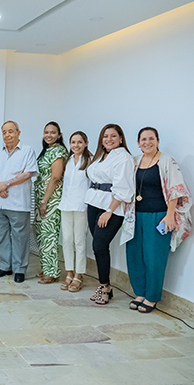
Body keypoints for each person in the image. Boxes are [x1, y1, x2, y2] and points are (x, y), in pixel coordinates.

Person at [121, 127, 191, 313]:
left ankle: (151, 297)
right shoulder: (135, 161)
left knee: (154, 258)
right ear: (138, 143)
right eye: (143, 139)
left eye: (151, 138)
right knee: (134, 255)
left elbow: (176, 189)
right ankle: (140, 293)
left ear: (158, 141)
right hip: (135, 216)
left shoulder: (166, 161)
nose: (147, 142)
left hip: (159, 216)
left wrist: (169, 215)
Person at [85, 124, 135, 304]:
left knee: (99, 245)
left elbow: (123, 188)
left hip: (110, 207)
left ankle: (104, 287)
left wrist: (109, 211)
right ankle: (105, 285)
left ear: (121, 138)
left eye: (113, 136)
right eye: (105, 136)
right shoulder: (101, 156)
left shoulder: (123, 158)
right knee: (97, 246)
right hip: (94, 203)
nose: (109, 139)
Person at [0, 121, 38, 283]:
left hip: (18, 203)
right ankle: (4, 266)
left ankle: (19, 269)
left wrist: (6, 184)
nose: (7, 135)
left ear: (18, 133)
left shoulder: (27, 151)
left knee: (20, 237)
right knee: (1, 236)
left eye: (11, 131)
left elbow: (28, 173)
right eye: (4, 132)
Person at [33, 122, 69, 284]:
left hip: (51, 198)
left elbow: (55, 177)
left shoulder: (59, 151)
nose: (49, 135)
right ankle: (47, 268)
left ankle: (52, 272)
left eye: (53, 133)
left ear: (59, 135)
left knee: (49, 234)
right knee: (41, 234)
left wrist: (44, 200)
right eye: (46, 132)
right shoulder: (47, 151)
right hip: (41, 197)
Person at [58, 131, 92, 292]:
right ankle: (69, 272)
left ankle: (79, 274)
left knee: (79, 241)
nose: (76, 145)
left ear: (85, 143)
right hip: (66, 204)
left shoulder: (90, 162)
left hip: (81, 206)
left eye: (79, 142)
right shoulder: (68, 161)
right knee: (67, 240)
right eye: (73, 142)